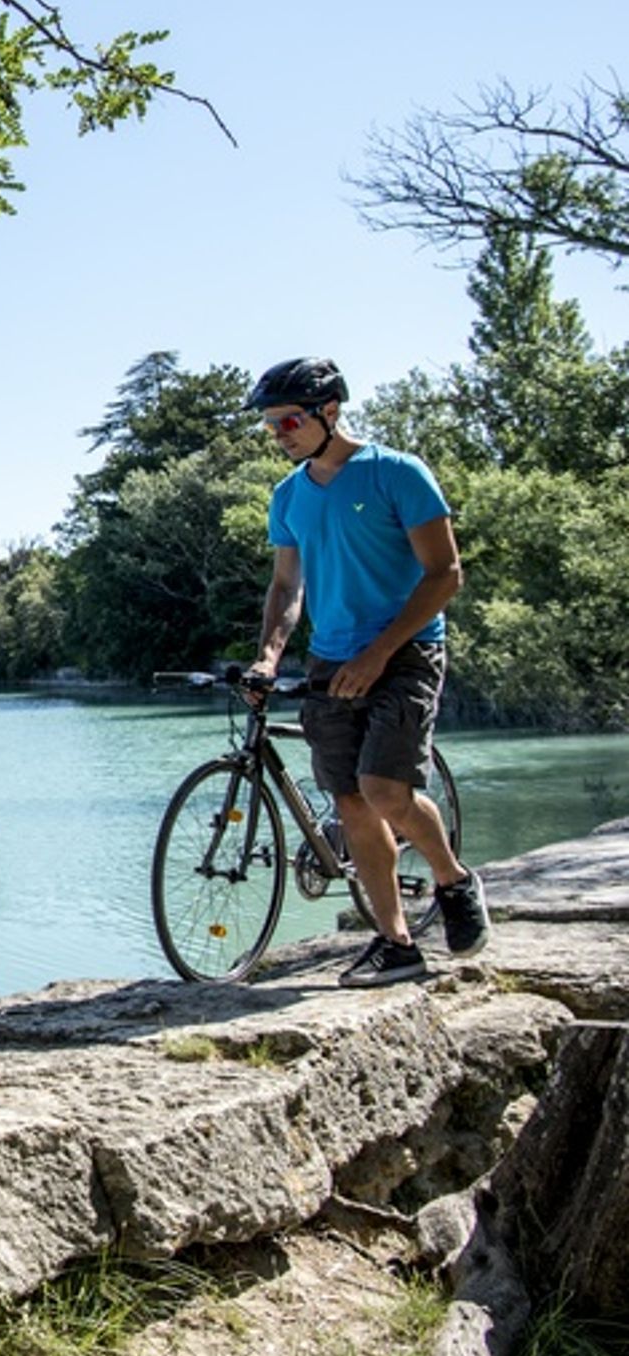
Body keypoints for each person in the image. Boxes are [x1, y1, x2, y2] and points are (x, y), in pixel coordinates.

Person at [243, 356, 488, 988]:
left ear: (329, 411)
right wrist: (269, 655)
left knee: (384, 791)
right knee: (351, 801)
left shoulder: (397, 474)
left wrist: (378, 652)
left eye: (289, 421)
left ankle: (454, 881)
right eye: (270, 425)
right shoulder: (289, 496)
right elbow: (286, 586)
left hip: (405, 651)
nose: (278, 435)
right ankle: (395, 943)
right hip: (332, 659)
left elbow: (446, 574)